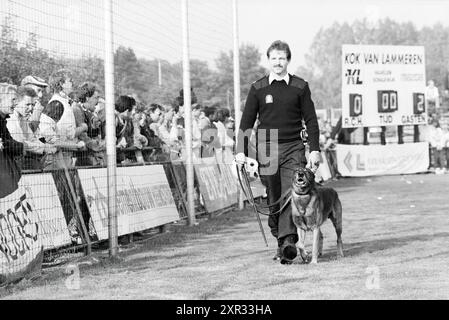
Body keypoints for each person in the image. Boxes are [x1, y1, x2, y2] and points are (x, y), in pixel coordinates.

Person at [235, 40, 321, 264]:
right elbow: (246, 121)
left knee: (290, 193)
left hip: (294, 145)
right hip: (267, 143)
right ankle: (281, 240)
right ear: (269, 60)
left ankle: (288, 243)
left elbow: (311, 120)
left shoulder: (300, 86)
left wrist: (315, 150)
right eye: (274, 58)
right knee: (274, 197)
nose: (278, 62)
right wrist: (241, 151)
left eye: (282, 58)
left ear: (288, 60)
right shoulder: (258, 88)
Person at [6, 86, 56, 170]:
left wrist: (47, 147)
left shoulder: (22, 118)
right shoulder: (11, 119)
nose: (30, 108)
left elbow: (31, 138)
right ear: (17, 102)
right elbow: (20, 142)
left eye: (33, 105)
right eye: (27, 104)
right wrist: (44, 148)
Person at [0, 83, 24, 198]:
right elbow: (7, 144)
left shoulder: (3, 120)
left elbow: (8, 143)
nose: (16, 103)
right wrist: (25, 147)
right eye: (13, 99)